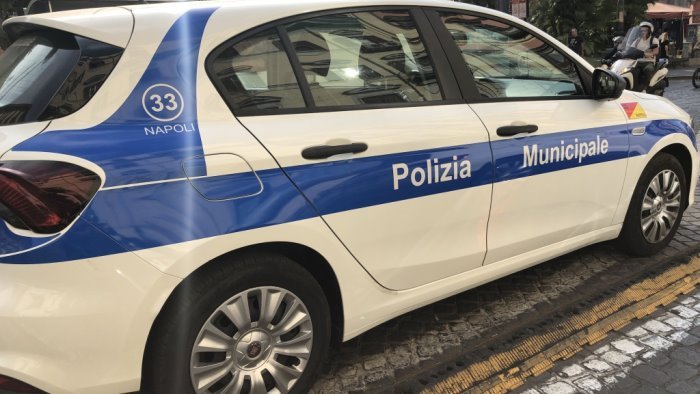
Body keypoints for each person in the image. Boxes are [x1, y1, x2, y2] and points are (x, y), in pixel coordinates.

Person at [630, 21, 659, 92]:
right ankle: (633, 88)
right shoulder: (637, 40)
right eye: (642, 30)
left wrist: (646, 54)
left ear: (649, 31)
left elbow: (656, 52)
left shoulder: (653, 40)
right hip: (638, 61)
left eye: (645, 30)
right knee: (630, 70)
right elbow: (631, 49)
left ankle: (646, 88)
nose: (643, 32)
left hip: (649, 61)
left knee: (648, 69)